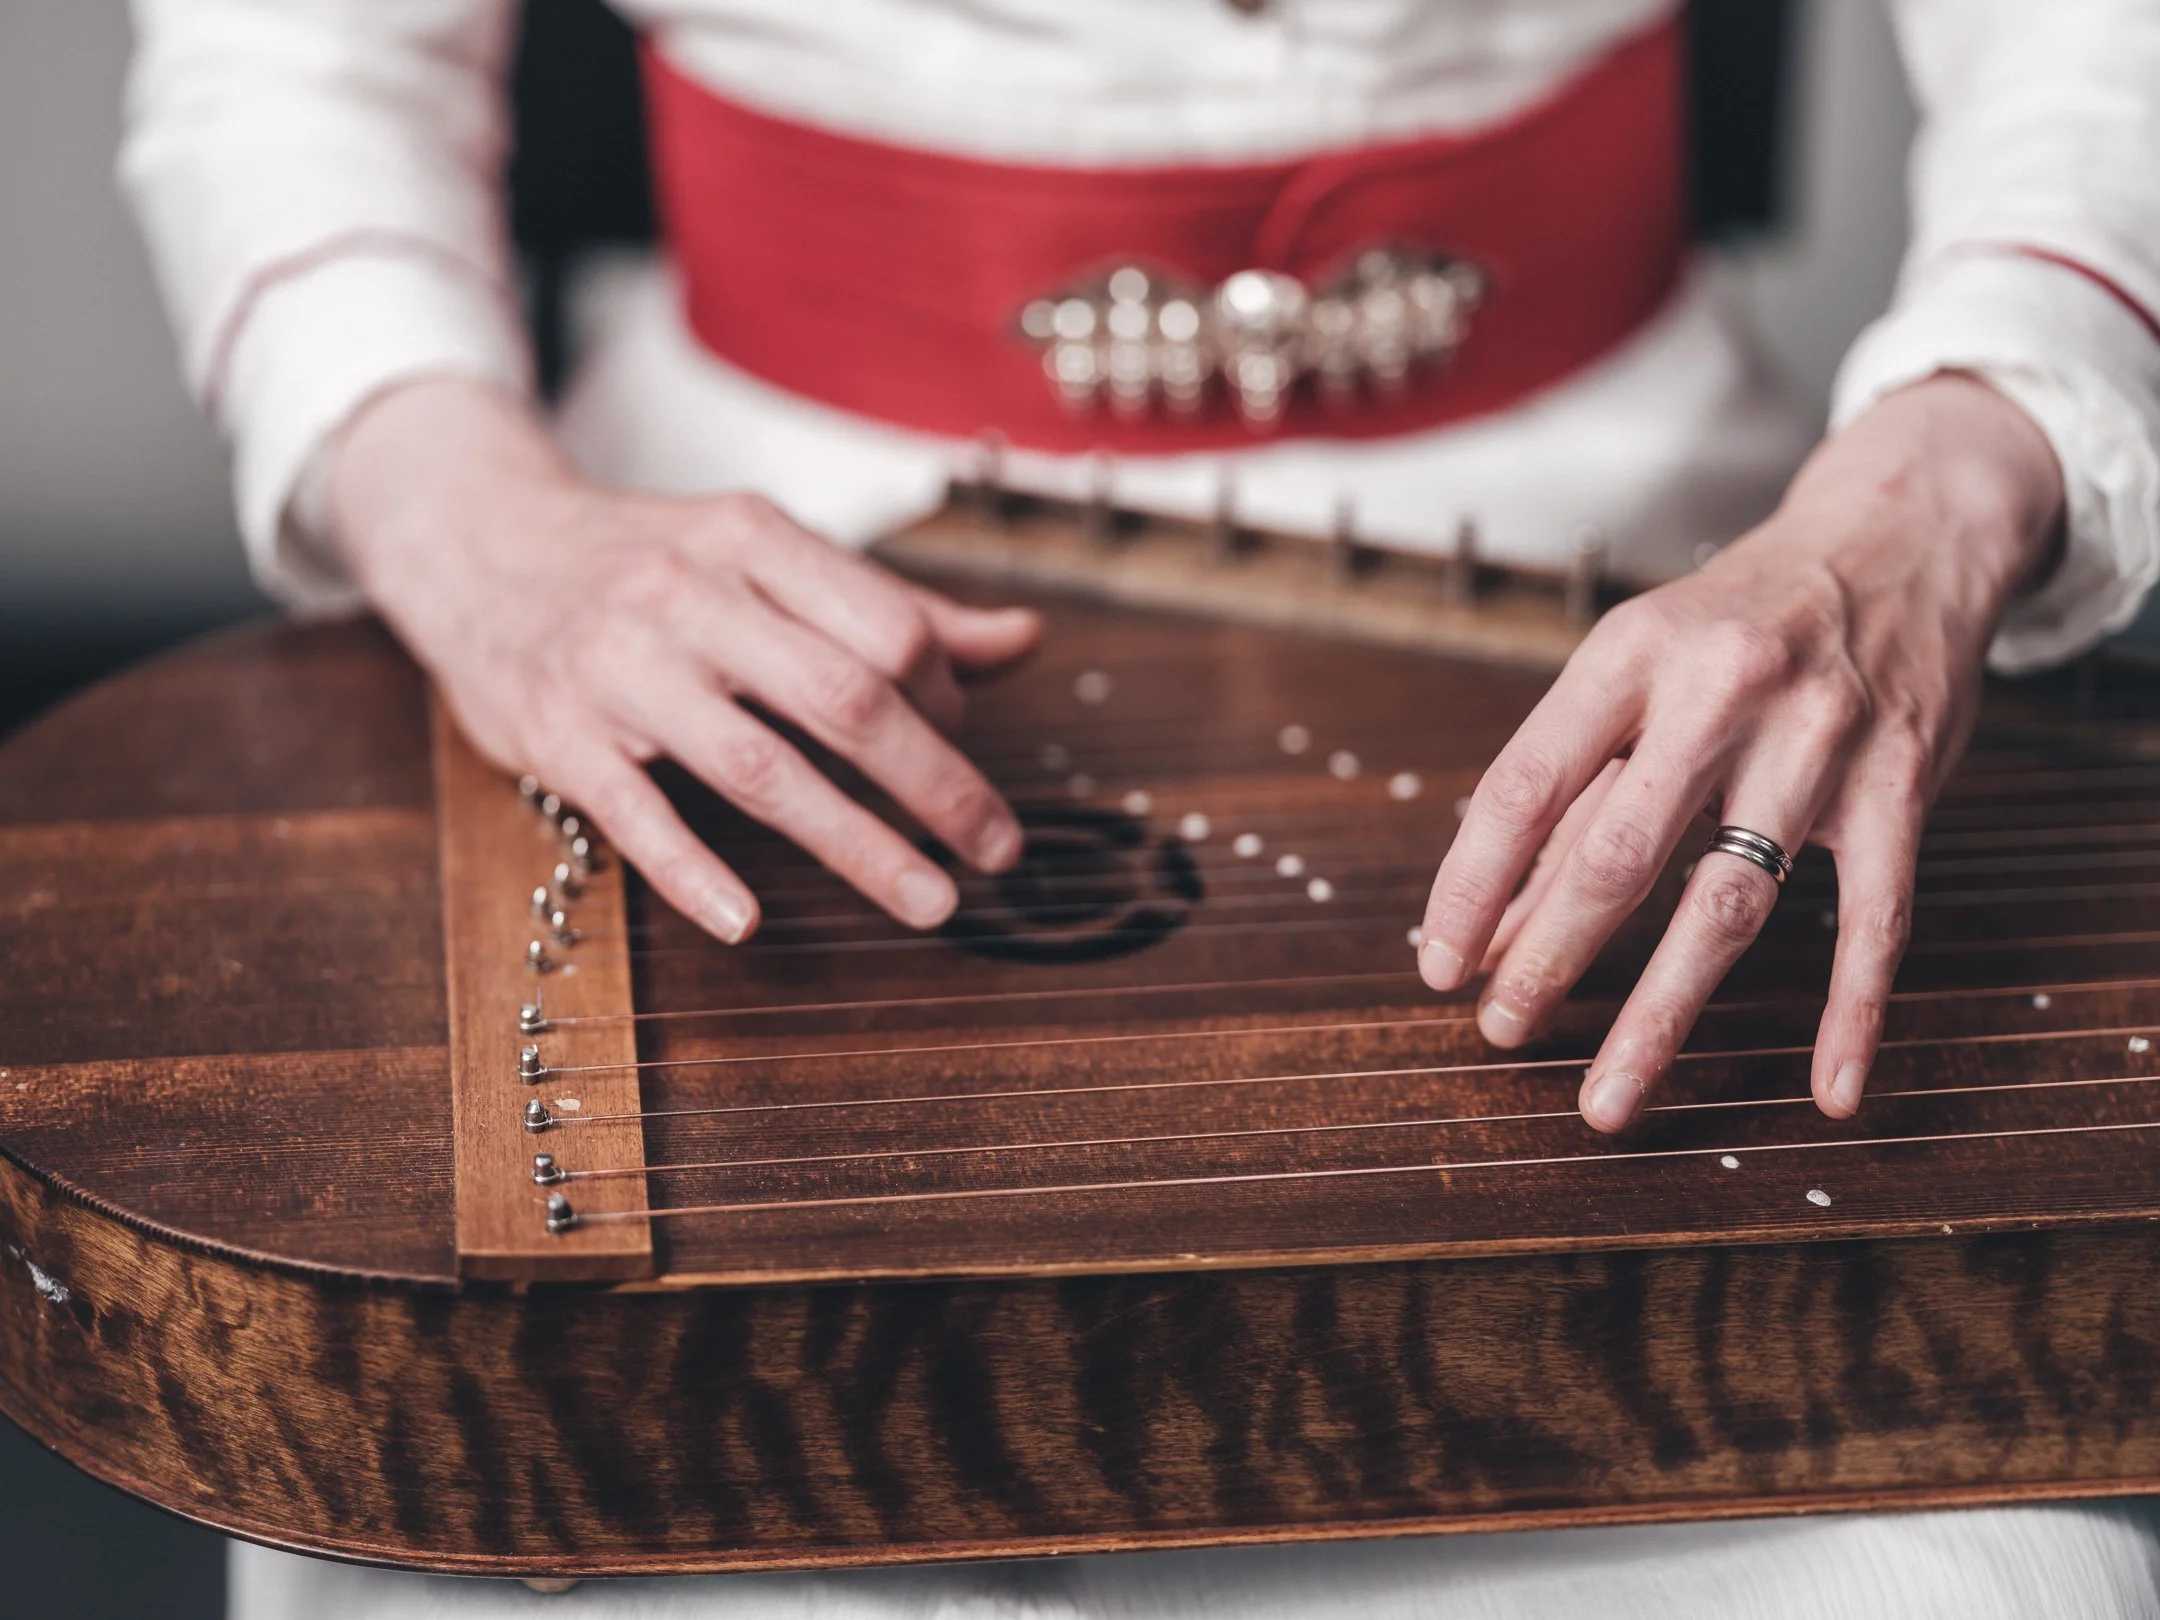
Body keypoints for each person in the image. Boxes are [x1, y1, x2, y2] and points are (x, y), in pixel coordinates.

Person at [122, 1, 2160, 1615]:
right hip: (737, 606)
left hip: (1646, 618)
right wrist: (483, 531)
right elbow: (283, 53)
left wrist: (1954, 471)